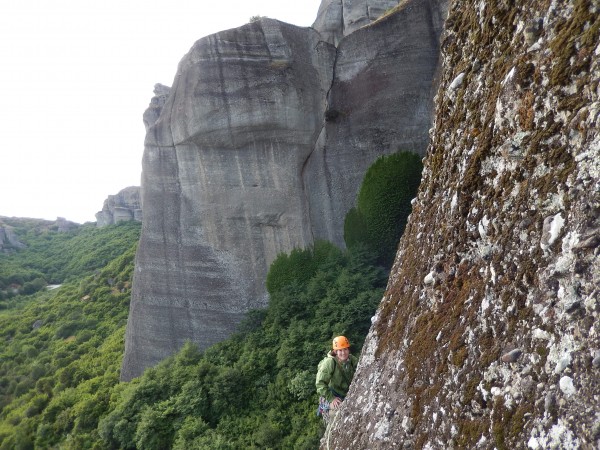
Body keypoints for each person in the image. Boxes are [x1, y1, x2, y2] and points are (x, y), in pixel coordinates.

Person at [315, 336, 358, 421]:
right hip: (333, 394)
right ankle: (329, 413)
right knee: (337, 413)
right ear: (335, 351)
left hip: (345, 393)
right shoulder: (330, 362)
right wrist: (331, 398)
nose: (343, 353)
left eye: (345, 349)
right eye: (340, 350)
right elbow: (320, 383)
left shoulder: (351, 359)